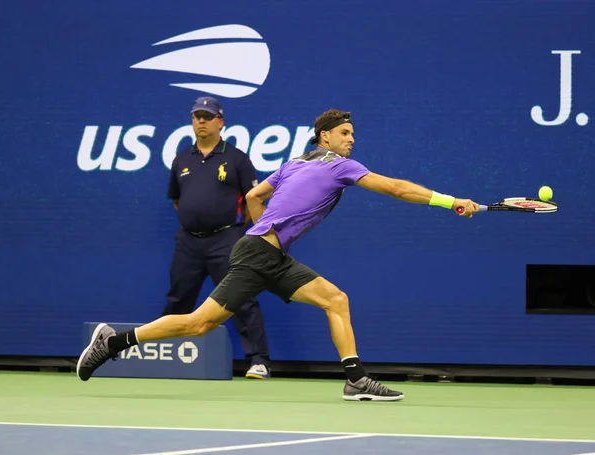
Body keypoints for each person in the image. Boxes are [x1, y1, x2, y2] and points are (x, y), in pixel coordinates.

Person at [77, 108, 479, 401]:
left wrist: (267, 233)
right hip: (257, 256)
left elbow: (254, 196)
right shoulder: (341, 166)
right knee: (198, 325)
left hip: (267, 253)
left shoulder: (293, 164)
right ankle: (113, 341)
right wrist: (450, 201)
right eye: (344, 133)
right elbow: (395, 188)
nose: (351, 140)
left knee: (335, 299)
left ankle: (355, 379)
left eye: (352, 134)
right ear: (325, 137)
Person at [163, 96, 271, 379]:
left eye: (207, 116)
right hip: (188, 242)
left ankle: (258, 360)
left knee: (241, 298)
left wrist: (231, 229)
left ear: (220, 122)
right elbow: (177, 200)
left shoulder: (236, 158)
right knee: (178, 298)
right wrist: (195, 218)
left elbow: (253, 200)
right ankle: (162, 357)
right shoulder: (181, 159)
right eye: (197, 116)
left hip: (226, 240)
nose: (201, 121)